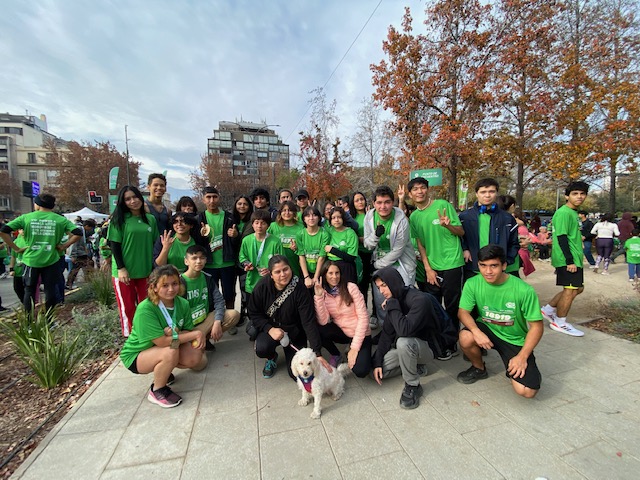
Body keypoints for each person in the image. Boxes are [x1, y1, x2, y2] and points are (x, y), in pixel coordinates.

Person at [456, 245, 543, 398]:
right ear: (478, 265)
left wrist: (522, 356)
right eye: (483, 266)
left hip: (513, 338)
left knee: (527, 391)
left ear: (504, 265)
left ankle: (522, 366)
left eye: (493, 266)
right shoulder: (472, 283)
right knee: (465, 337)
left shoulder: (524, 290)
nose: (488, 272)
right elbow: (463, 312)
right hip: (488, 328)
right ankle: (479, 368)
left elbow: (537, 327)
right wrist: (476, 332)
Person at [119, 265, 206, 408]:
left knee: (194, 356)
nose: (171, 289)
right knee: (170, 350)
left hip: (160, 347)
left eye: (174, 284)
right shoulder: (145, 308)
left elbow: (185, 332)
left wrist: (175, 334)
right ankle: (157, 390)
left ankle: (164, 371)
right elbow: (162, 341)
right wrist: (194, 333)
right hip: (136, 355)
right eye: (165, 285)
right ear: (154, 287)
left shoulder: (182, 303)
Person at [408, 177, 464, 358]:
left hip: (452, 263)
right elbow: (420, 244)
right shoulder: (414, 217)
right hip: (432, 267)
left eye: (422, 188)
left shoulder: (442, 205)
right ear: (410, 194)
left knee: (452, 306)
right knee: (433, 306)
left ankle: (452, 341)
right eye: (415, 189)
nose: (419, 192)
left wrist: (448, 225)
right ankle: (440, 340)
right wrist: (428, 268)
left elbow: (461, 231)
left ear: (427, 189)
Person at [248, 255, 330, 379]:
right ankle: (271, 357)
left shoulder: (300, 288)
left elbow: (308, 321)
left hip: (294, 331)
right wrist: (269, 329)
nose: (283, 274)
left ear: (291, 269)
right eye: (277, 272)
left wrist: (317, 352)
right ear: (271, 274)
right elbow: (254, 312)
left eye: (285, 269)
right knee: (262, 348)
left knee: (297, 374)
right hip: (271, 328)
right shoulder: (262, 287)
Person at [0, 193, 82, 313]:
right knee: (50, 290)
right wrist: (64, 246)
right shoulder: (60, 219)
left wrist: (15, 248)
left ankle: (29, 322)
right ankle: (49, 320)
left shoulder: (26, 218)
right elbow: (77, 233)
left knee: (29, 291)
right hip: (52, 259)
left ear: (37, 204)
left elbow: (3, 231)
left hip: (30, 260)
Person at [371, 267, 437, 410]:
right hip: (408, 349)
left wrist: (392, 304)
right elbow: (386, 334)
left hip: (427, 349)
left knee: (403, 341)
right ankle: (416, 367)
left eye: (384, 285)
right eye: (378, 287)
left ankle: (412, 385)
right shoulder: (392, 300)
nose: (381, 291)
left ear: (394, 282)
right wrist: (377, 362)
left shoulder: (419, 299)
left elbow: (404, 330)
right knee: (378, 370)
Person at [108, 186, 159, 336]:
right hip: (125, 273)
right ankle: (131, 337)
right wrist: (121, 268)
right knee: (128, 308)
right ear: (123, 202)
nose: (133, 201)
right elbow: (114, 245)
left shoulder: (150, 219)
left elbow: (156, 243)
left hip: (146, 271)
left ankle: (147, 334)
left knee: (148, 306)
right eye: (128, 199)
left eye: (135, 197)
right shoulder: (119, 220)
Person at [540, 181, 589, 337]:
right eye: (575, 193)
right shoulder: (563, 213)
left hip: (575, 257)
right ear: (567, 196)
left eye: (582, 193)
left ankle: (548, 310)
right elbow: (560, 237)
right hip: (568, 259)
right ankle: (559, 322)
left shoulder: (574, 213)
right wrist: (569, 261)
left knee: (578, 288)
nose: (579, 196)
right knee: (570, 289)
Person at [364, 185, 417, 329]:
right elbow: (368, 244)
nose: (383, 206)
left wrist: (376, 265)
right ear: (374, 203)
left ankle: (402, 331)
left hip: (400, 264)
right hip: (379, 261)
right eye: (379, 202)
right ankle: (385, 331)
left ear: (393, 202)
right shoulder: (369, 217)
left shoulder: (401, 220)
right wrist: (376, 235)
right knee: (381, 299)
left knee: (401, 299)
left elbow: (398, 251)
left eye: (387, 202)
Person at [313, 261, 372, 377]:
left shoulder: (351, 288)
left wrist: (354, 348)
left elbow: (363, 318)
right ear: (324, 275)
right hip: (342, 331)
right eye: (330, 273)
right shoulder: (324, 292)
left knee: (361, 371)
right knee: (318, 329)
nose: (334, 276)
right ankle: (336, 354)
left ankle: (356, 349)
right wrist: (319, 297)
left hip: (360, 332)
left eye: (337, 273)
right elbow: (323, 321)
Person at [181, 245, 240, 351]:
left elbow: (219, 301)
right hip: (187, 327)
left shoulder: (207, 278)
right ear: (186, 261)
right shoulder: (180, 282)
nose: (198, 261)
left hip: (205, 321)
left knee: (233, 315)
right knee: (199, 361)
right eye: (194, 258)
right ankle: (194, 341)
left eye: (202, 258)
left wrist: (217, 322)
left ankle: (204, 338)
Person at [459, 178, 519, 281]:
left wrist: (506, 261)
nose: (487, 195)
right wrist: (464, 249)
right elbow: (459, 238)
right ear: (476, 194)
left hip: (498, 271)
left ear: (497, 193)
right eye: (483, 192)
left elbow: (514, 244)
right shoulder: (464, 217)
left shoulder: (507, 218)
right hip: (472, 270)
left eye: (491, 191)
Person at [197, 186, 239, 310]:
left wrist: (235, 236)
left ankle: (230, 321)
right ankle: (214, 321)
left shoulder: (229, 217)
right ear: (203, 200)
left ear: (219, 198)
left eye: (214, 197)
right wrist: (200, 235)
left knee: (229, 295)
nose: (212, 200)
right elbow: (196, 243)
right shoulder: (199, 219)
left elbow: (237, 241)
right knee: (211, 296)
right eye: (208, 197)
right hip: (209, 265)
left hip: (227, 263)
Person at [239, 210, 283, 304]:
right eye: (257, 223)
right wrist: (247, 264)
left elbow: (280, 261)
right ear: (252, 224)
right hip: (252, 282)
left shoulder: (275, 241)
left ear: (268, 225)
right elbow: (242, 257)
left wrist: (270, 270)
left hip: (270, 282)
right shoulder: (246, 240)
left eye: (263, 223)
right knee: (253, 310)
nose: (259, 226)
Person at [297, 206, 330, 290]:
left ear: (319, 218)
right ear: (304, 219)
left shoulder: (324, 234)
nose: (311, 218)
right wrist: (306, 277)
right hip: (305, 271)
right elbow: (301, 256)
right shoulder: (300, 234)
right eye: (308, 216)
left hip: (320, 271)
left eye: (314, 215)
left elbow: (322, 257)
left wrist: (316, 277)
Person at [267, 201, 303, 277]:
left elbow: (305, 246)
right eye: (284, 210)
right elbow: (266, 242)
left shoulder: (301, 227)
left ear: (294, 212)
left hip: (294, 263)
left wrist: (297, 248)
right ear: (280, 213)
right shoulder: (273, 226)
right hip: (277, 264)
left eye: (290, 210)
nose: (287, 213)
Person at [325, 206, 359, 285]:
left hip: (346, 267)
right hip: (331, 266)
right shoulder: (328, 231)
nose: (336, 220)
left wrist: (333, 250)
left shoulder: (350, 233)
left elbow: (351, 257)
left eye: (339, 217)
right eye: (333, 218)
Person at [66, 219, 97, 289]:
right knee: (76, 269)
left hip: (81, 253)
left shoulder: (82, 230)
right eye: (90, 228)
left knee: (86, 266)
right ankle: (69, 283)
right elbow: (74, 243)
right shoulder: (79, 230)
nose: (90, 230)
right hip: (78, 253)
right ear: (86, 226)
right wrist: (73, 255)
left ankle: (88, 281)